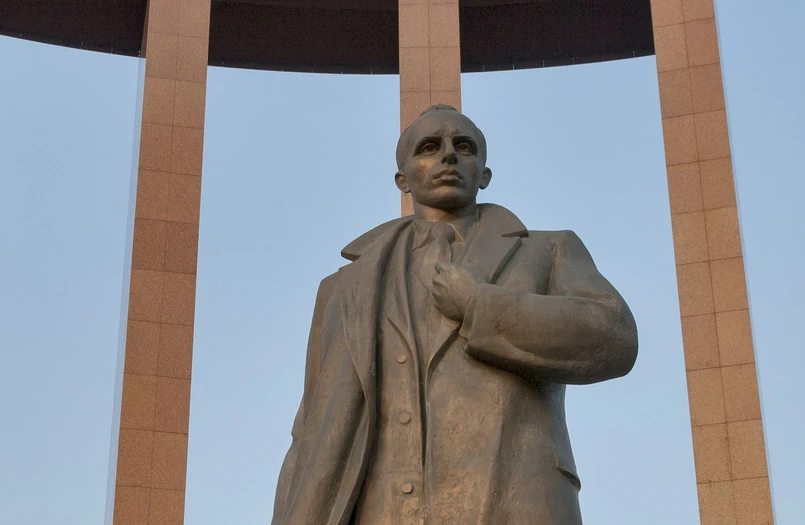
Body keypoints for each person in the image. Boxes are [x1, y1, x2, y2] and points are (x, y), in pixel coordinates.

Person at [271, 105, 638, 525]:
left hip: (513, 498)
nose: (448, 155)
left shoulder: (548, 250)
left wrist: (481, 306)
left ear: (484, 174)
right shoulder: (341, 288)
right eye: (429, 147)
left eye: (463, 147)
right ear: (403, 179)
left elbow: (614, 334)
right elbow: (310, 431)